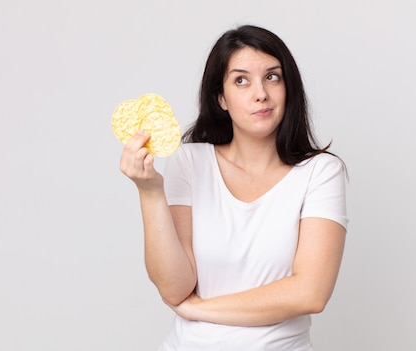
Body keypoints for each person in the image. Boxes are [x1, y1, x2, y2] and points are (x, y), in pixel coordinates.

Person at [119, 24, 348, 351]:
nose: (261, 94)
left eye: (272, 77)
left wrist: (199, 308)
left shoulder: (320, 172)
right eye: (241, 80)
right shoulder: (190, 161)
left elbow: (311, 293)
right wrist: (150, 191)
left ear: (288, 88)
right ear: (221, 98)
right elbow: (174, 288)